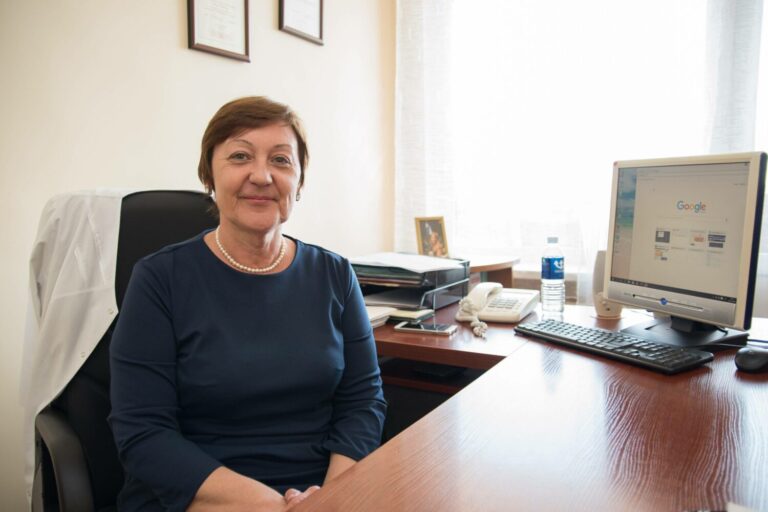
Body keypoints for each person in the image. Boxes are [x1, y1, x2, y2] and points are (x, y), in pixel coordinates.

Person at [109, 96, 387, 512]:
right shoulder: (159, 278)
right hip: (196, 495)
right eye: (240, 156)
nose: (261, 176)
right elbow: (143, 431)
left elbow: (363, 402)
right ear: (209, 175)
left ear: (299, 182)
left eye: (281, 160)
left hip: (319, 493)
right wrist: (270, 504)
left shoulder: (335, 274)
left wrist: (331, 497)